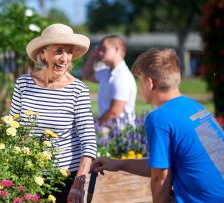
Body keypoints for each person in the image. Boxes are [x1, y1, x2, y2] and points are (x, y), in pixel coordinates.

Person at [90, 48, 224, 203]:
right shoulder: (195, 107)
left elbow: (160, 178)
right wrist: (118, 163)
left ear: (149, 83)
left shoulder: (159, 118)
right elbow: (160, 165)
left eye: (139, 81)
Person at [9, 23, 97, 203]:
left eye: (69, 52)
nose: (65, 58)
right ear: (43, 53)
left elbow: (88, 142)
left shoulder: (77, 90)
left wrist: (78, 184)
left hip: (64, 180)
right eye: (58, 51)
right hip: (27, 175)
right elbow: (12, 129)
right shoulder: (23, 84)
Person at [82, 35, 137, 126]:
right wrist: (92, 57)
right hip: (108, 129)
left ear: (116, 49)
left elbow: (114, 112)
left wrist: (93, 126)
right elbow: (86, 75)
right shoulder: (106, 72)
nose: (100, 53)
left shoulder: (122, 76)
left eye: (103, 49)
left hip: (120, 134)